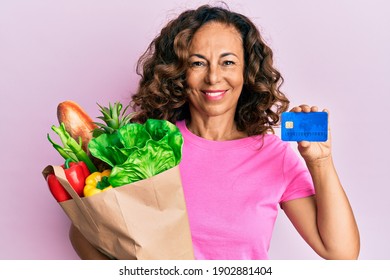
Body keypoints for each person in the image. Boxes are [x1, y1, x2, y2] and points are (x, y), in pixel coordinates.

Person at [69, 4, 360, 260]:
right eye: (198, 63)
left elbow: (341, 252)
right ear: (179, 72)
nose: (213, 77)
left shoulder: (276, 156)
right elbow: (84, 232)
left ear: (247, 73)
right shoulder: (146, 145)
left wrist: (319, 162)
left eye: (228, 62)